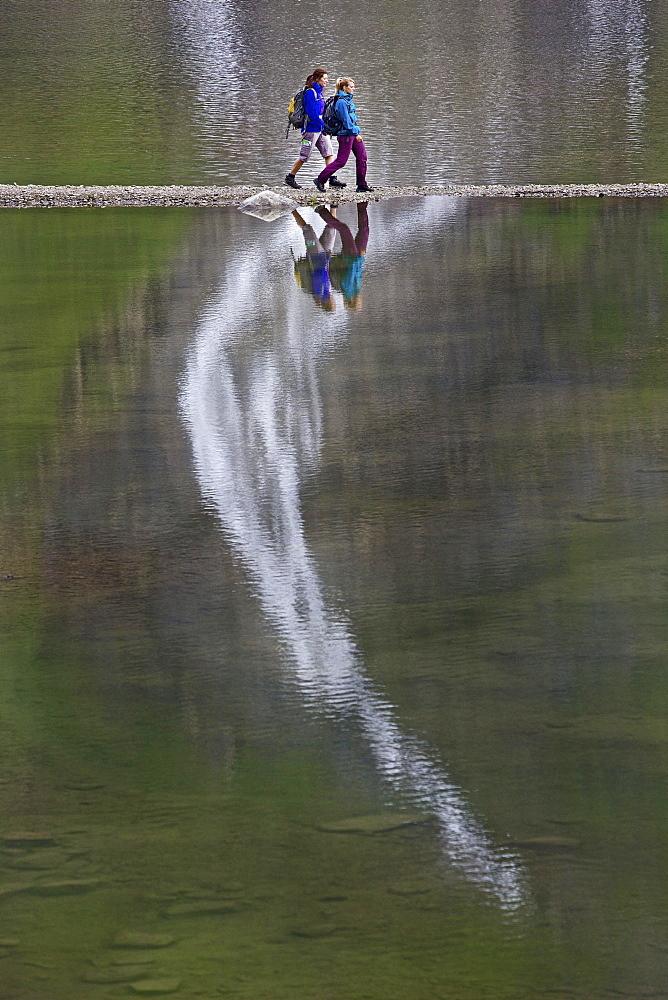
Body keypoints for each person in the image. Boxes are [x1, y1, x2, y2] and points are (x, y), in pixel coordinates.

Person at [285, 69, 346, 191]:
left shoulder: (319, 93)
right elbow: (312, 113)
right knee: (304, 155)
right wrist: (323, 125)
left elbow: (321, 112)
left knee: (328, 153)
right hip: (311, 130)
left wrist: (325, 125)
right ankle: (290, 177)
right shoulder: (310, 93)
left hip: (320, 129)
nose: (327, 81)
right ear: (317, 79)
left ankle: (332, 178)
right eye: (325, 79)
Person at [313, 77, 373, 194]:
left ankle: (362, 185)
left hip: (352, 133)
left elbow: (351, 120)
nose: (353, 89)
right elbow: (346, 121)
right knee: (341, 161)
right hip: (346, 135)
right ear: (344, 88)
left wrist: (355, 133)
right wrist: (355, 133)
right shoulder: (341, 102)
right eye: (351, 87)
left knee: (362, 157)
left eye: (353, 86)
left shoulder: (348, 100)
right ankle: (320, 179)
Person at [316, 204, 369, 310]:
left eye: (358, 304)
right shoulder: (355, 290)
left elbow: (351, 270)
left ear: (353, 301)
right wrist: (362, 257)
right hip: (358, 256)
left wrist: (360, 257)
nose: (361, 301)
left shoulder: (348, 289)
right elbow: (358, 271)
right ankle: (362, 204)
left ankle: (321, 210)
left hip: (350, 256)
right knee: (364, 230)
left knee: (344, 229)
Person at [291, 209, 337, 311]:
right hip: (326, 255)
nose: (334, 301)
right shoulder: (327, 292)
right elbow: (327, 273)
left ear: (327, 303)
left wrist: (328, 259)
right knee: (332, 227)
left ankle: (292, 210)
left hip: (314, 254)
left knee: (307, 229)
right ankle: (334, 206)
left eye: (333, 304)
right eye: (334, 303)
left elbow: (319, 273)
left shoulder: (318, 292)